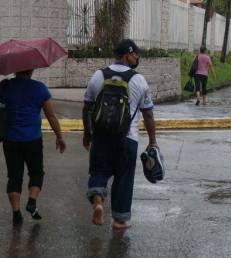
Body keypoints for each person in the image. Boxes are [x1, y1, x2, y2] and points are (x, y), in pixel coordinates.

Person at [82, 39, 157, 230]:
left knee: (99, 171)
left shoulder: (99, 75)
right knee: (124, 177)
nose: (137, 57)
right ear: (126, 55)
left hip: (101, 136)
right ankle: (119, 219)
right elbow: (148, 113)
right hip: (127, 138)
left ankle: (98, 203)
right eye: (135, 54)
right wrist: (152, 141)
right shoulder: (138, 79)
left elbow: (87, 107)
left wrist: (87, 133)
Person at [0, 69, 66, 227]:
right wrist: (59, 136)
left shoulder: (4, 87)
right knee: (36, 172)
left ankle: (16, 214)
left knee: (14, 177)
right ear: (31, 70)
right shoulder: (39, 88)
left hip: (10, 139)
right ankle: (31, 201)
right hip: (33, 139)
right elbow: (51, 115)